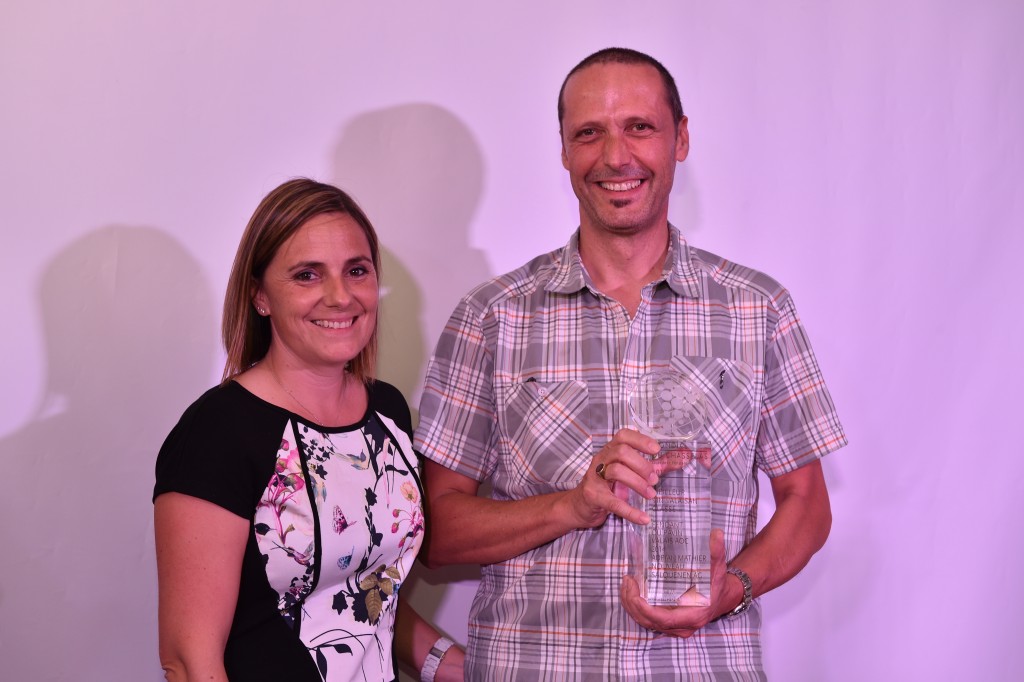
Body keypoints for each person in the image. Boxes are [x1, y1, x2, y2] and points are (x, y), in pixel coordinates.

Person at [414, 48, 847, 680]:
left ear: (682, 139)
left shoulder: (759, 310)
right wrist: (572, 505)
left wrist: (734, 587)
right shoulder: (491, 317)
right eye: (589, 132)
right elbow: (437, 532)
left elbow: (807, 503)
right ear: (563, 150)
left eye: (639, 127)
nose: (616, 156)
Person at [154, 178, 463, 682]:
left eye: (357, 271)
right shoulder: (218, 431)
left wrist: (460, 667)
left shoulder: (386, 410)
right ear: (259, 296)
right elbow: (189, 661)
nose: (340, 297)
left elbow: (365, 596)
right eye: (307, 275)